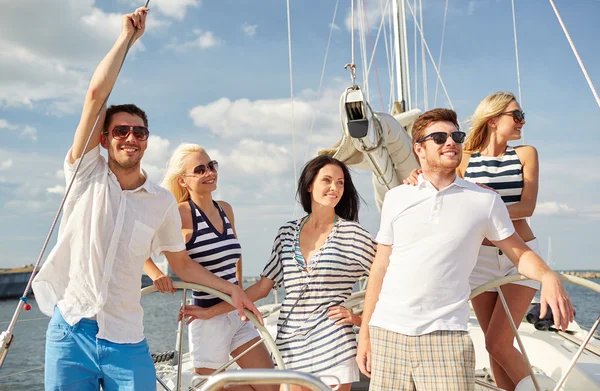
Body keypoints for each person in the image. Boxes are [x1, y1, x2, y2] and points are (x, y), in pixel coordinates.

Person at [31, 8, 260, 391]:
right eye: (120, 130)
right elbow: (94, 96)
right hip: (70, 332)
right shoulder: (85, 174)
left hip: (126, 338)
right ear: (104, 139)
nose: (130, 138)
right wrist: (126, 40)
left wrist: (233, 290)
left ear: (148, 139)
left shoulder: (160, 202)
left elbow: (183, 267)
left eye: (140, 131)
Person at [356, 108, 573, 391]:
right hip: (388, 333)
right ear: (419, 149)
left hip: (446, 338)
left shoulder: (484, 200)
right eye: (439, 137)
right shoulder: (397, 198)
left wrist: (547, 276)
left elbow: (519, 253)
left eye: (456, 136)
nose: (451, 142)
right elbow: (381, 267)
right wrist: (366, 334)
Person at [181, 155, 377, 391]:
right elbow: (261, 289)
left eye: (340, 182)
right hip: (291, 345)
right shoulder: (286, 233)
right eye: (327, 180)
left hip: (333, 343)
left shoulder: (353, 235)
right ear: (309, 185)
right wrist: (211, 311)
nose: (334, 188)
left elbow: (388, 280)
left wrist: (359, 320)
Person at [403, 92, 543, 390]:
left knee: (498, 341)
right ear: (493, 120)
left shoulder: (525, 154)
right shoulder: (465, 158)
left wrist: (483, 208)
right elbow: (444, 187)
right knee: (495, 348)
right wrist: (417, 174)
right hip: (478, 261)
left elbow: (527, 207)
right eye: (516, 116)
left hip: (519, 255)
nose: (522, 121)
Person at [159, 143, 276, 391]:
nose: (209, 172)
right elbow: (141, 247)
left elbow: (236, 257)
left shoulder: (226, 209)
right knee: (210, 388)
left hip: (236, 312)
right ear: (183, 181)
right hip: (206, 317)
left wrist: (240, 293)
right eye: (199, 169)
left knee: (271, 386)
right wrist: (157, 275)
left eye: (211, 166)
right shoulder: (177, 214)